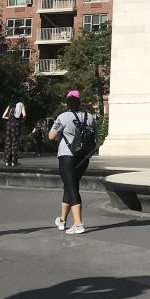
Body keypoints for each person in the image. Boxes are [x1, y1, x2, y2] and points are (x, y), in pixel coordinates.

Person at [48, 90, 97, 234]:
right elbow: (95, 137)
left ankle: (78, 224)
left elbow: (51, 136)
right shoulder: (90, 117)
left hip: (67, 155)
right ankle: (62, 220)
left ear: (68, 102)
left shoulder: (63, 117)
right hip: (84, 157)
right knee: (70, 186)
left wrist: (62, 136)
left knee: (72, 187)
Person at [2, 96, 26, 167]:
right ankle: (14, 161)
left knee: (8, 142)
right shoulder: (21, 104)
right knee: (15, 142)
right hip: (16, 124)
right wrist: (22, 121)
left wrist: (10, 118)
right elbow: (24, 115)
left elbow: (3, 116)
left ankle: (7, 161)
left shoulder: (10, 105)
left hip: (9, 124)